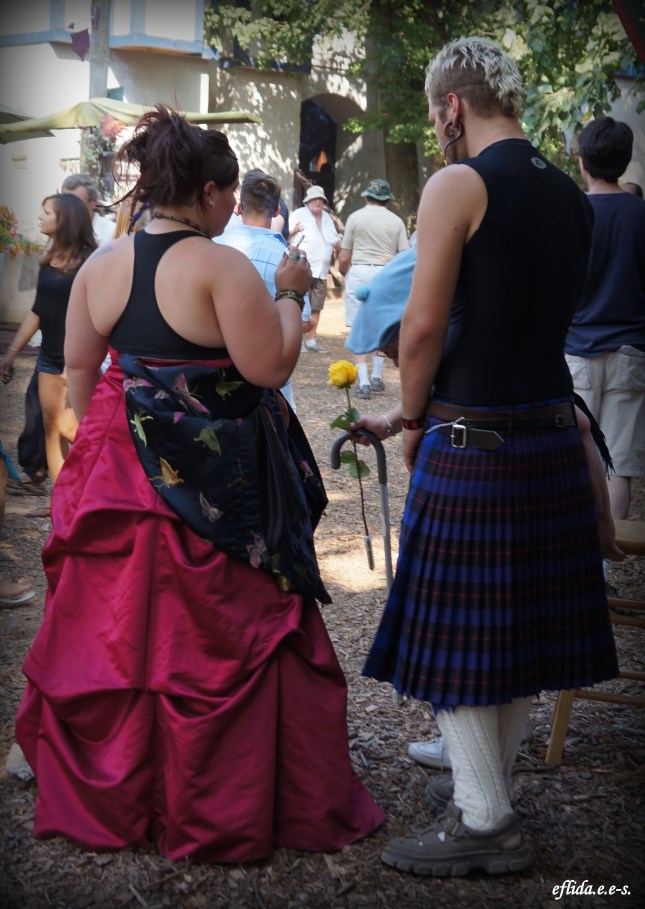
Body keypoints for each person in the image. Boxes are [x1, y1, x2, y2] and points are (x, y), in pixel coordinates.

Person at [13, 105, 383, 863]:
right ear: (211, 194)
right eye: (228, 195)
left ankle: (117, 796)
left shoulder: (101, 266)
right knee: (220, 638)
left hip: (123, 470)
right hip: (220, 484)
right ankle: (219, 801)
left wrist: (117, 447)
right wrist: (289, 290)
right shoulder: (222, 267)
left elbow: (83, 371)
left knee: (119, 635)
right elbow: (269, 369)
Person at [360, 36, 618, 877]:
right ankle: (485, 790)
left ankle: (484, 819)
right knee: (509, 629)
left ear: (449, 106)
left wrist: (405, 416)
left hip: (473, 440)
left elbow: (425, 325)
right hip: (547, 427)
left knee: (463, 632)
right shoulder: (569, 193)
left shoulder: (457, 183)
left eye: (435, 114)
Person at [347, 245, 624, 775]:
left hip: (503, 493)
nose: (388, 360)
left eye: (389, 348)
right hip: (498, 485)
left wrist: (602, 525)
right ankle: (470, 759)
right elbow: (431, 393)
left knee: (480, 637)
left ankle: (476, 775)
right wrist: (389, 421)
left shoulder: (499, 363)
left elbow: (581, 429)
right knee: (479, 637)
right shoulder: (468, 350)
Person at [565, 117, 645, 534]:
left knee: (575, 460)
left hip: (576, 349)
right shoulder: (640, 214)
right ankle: (607, 569)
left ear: (582, 163)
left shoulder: (568, 212)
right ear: (625, 161)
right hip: (630, 352)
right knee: (619, 466)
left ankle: (575, 564)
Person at [0, 194, 97, 485]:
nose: (41, 217)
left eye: (46, 212)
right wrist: (12, 352)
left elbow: (98, 318)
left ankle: (88, 500)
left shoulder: (91, 261)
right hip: (48, 359)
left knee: (77, 432)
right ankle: (61, 507)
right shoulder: (48, 259)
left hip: (76, 363)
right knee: (51, 429)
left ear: (64, 219)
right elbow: (37, 311)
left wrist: (79, 362)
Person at [215, 170, 312, 411]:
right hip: (270, 377)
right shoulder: (289, 260)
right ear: (278, 210)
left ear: (239, 207)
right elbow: (305, 321)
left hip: (217, 375)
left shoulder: (212, 248)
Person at [338, 178, 408, 399]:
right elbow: (404, 254)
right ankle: (377, 375)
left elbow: (345, 255)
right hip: (386, 273)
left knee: (359, 325)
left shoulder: (354, 218)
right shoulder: (396, 221)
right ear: (387, 200)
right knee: (383, 325)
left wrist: (343, 272)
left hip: (360, 272)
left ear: (367, 197)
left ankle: (364, 381)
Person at [289, 185, 341, 353]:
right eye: (315, 199)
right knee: (298, 304)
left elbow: (334, 239)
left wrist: (346, 247)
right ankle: (297, 340)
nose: (318, 201)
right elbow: (291, 241)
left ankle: (311, 340)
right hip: (303, 267)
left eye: (321, 199)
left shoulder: (326, 217)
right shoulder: (299, 214)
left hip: (322, 270)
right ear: (308, 201)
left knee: (316, 305)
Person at [61, 172, 116, 245]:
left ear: (94, 202)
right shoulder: (60, 230)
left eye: (77, 204)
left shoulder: (112, 233)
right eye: (66, 203)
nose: (70, 209)